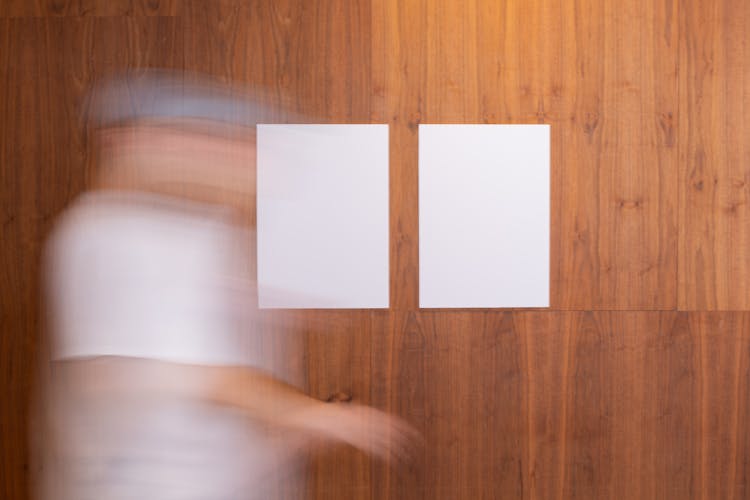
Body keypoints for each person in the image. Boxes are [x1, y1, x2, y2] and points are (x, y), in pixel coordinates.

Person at [35, 73, 414, 500]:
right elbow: (177, 378)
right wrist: (307, 415)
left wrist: (297, 428)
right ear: (136, 143)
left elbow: (220, 406)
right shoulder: (107, 235)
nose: (240, 160)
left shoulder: (204, 235)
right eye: (218, 141)